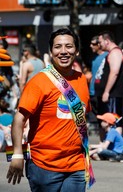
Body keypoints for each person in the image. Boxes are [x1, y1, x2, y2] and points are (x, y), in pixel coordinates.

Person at [6, 27, 95, 190]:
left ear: (76, 51)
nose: (63, 51)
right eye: (58, 47)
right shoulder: (39, 81)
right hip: (44, 166)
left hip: (76, 166)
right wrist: (17, 155)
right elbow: (19, 119)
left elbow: (81, 117)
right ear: (50, 51)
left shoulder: (82, 79)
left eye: (69, 46)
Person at [95, 31, 123, 140]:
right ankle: (109, 147)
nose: (99, 45)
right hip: (110, 95)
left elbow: (114, 72)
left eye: (100, 42)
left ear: (107, 41)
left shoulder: (115, 53)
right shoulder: (111, 53)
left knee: (114, 120)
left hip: (114, 94)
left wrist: (106, 91)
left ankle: (116, 149)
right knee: (108, 120)